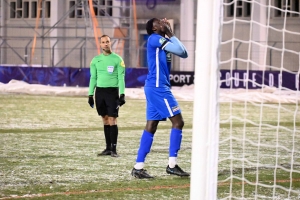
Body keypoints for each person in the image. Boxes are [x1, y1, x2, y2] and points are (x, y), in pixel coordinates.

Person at [131, 18, 190, 178]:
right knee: (178, 122)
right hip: (158, 88)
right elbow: (181, 52)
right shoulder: (154, 38)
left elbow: (184, 53)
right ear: (154, 28)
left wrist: (170, 33)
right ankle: (172, 165)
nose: (163, 22)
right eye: (159, 22)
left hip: (154, 87)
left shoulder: (161, 39)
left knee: (151, 125)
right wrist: (170, 32)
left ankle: (138, 167)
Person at [88, 34, 126, 158]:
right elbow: (93, 78)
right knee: (104, 119)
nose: (105, 44)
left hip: (112, 92)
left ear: (111, 43)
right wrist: (90, 94)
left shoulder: (117, 59)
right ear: (100, 44)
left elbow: (121, 78)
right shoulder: (95, 60)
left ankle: (114, 149)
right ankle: (108, 148)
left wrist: (122, 94)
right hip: (100, 92)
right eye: (103, 42)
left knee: (112, 119)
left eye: (107, 41)